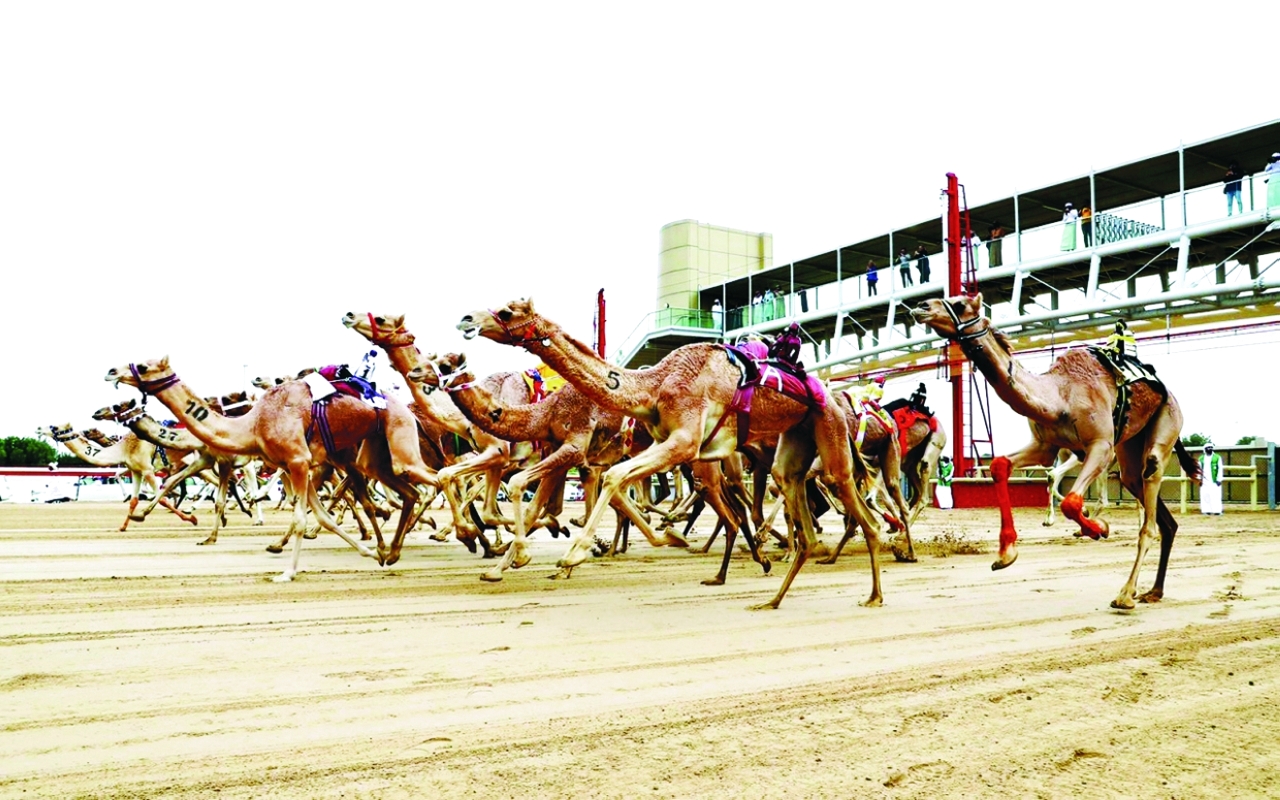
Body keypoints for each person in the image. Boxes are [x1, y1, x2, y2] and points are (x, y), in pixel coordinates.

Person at [1199, 444, 1223, 515]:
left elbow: (1220, 468)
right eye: (1208, 447)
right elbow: (1199, 469)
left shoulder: (1217, 457)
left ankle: (1217, 511)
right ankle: (1206, 511)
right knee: (1205, 495)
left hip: (1214, 480)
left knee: (1216, 495)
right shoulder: (1201, 458)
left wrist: (1219, 479)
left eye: (1211, 447)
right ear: (1205, 449)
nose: (1210, 448)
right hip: (1204, 480)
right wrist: (1199, 479)